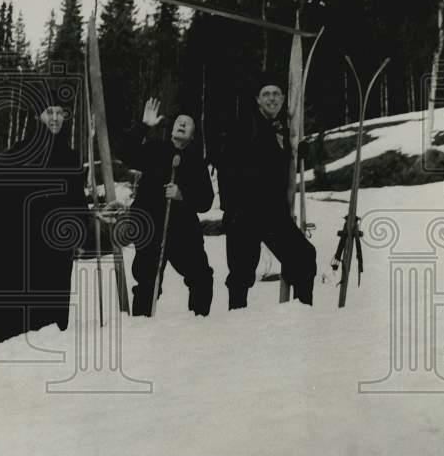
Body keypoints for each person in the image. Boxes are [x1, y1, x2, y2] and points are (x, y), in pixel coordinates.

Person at [217, 74, 317, 309]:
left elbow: (280, 167)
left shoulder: (282, 128)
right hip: (243, 212)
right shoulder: (244, 126)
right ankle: (235, 323)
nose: (271, 98)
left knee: (303, 258)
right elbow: (228, 166)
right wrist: (231, 209)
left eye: (276, 94)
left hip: (273, 213)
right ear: (258, 100)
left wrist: (297, 152)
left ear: (283, 99)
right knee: (241, 274)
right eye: (266, 94)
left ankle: (302, 313)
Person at [7, 85, 86, 333]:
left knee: (55, 311)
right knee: (26, 314)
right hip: (26, 242)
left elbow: (77, 199)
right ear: (38, 116)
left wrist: (82, 226)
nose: (54, 117)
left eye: (60, 112)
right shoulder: (20, 151)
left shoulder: (71, 156)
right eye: (49, 112)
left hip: (59, 242)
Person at [126, 99, 215, 316]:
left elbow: (206, 201)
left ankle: (198, 325)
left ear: (193, 135)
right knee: (148, 280)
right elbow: (126, 153)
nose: (181, 124)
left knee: (202, 277)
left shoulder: (196, 162)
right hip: (150, 225)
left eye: (187, 123)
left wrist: (182, 195)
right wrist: (144, 126)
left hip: (183, 231)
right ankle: (141, 329)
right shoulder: (155, 149)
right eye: (178, 121)